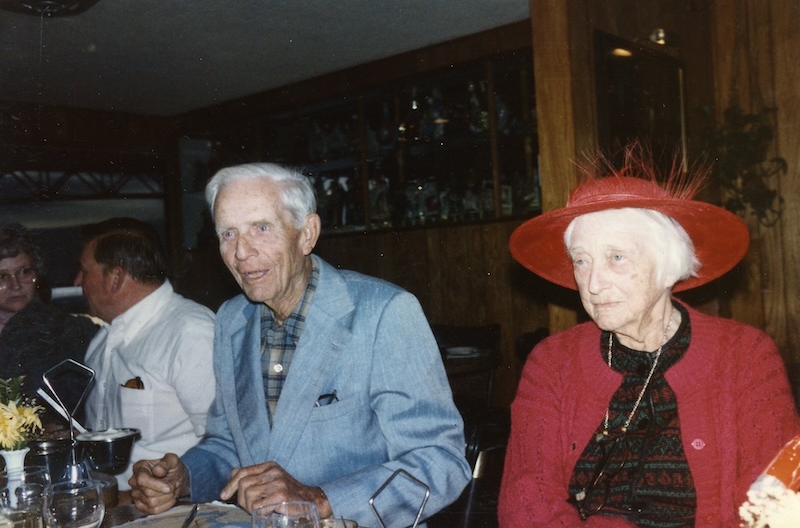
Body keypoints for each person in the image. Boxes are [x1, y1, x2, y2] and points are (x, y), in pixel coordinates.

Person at [128, 163, 470, 527]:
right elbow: (230, 445)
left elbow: (441, 460)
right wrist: (183, 477)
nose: (241, 252)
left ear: (307, 234)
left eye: (261, 228)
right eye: (228, 233)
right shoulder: (232, 320)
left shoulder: (383, 313)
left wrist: (321, 500)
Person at [499, 147, 800, 526]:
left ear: (668, 265)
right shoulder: (552, 361)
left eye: (617, 258)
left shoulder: (745, 355)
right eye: (581, 260)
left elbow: (774, 501)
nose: (592, 283)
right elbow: (526, 499)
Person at [76, 218, 216, 495]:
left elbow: (224, 443)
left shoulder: (190, 332)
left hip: (174, 509)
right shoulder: (103, 339)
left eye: (84, 271)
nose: (77, 281)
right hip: (107, 502)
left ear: (115, 277)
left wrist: (176, 485)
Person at [0, 223, 99, 426]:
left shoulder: (71, 330)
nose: (16, 285)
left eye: (24, 272)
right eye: (2, 276)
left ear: (37, 273)